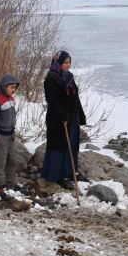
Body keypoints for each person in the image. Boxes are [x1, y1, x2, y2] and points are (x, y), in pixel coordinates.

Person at [41, 50, 87, 187]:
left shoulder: (69, 77)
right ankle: (59, 175)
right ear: (58, 62)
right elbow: (52, 100)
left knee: (72, 145)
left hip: (72, 117)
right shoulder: (51, 78)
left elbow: (75, 96)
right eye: (65, 62)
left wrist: (81, 113)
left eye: (69, 62)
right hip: (57, 119)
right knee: (60, 146)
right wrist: (62, 115)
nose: (68, 65)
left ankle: (72, 172)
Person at [0, 74, 20, 197]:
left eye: (15, 88)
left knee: (12, 161)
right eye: (11, 87)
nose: (13, 90)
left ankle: (11, 184)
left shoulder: (11, 99)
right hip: (0, 137)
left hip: (11, 135)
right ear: (3, 86)